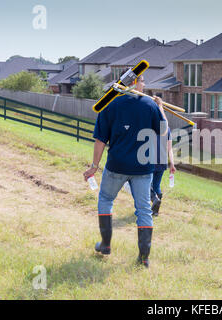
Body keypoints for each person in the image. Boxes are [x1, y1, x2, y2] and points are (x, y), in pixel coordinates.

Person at [83, 74, 168, 268]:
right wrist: (160, 108)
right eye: (143, 81)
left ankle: (105, 245)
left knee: (105, 199)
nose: (145, 85)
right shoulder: (150, 106)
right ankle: (144, 258)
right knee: (144, 209)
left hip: (117, 165)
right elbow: (163, 131)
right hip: (143, 168)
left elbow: (100, 140)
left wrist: (94, 166)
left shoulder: (110, 105)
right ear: (133, 82)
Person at [151, 126, 176, 216]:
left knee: (146, 185)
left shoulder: (150, 124)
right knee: (156, 185)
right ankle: (155, 211)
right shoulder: (167, 128)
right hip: (162, 161)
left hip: (150, 160)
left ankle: (155, 200)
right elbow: (170, 149)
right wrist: (172, 163)